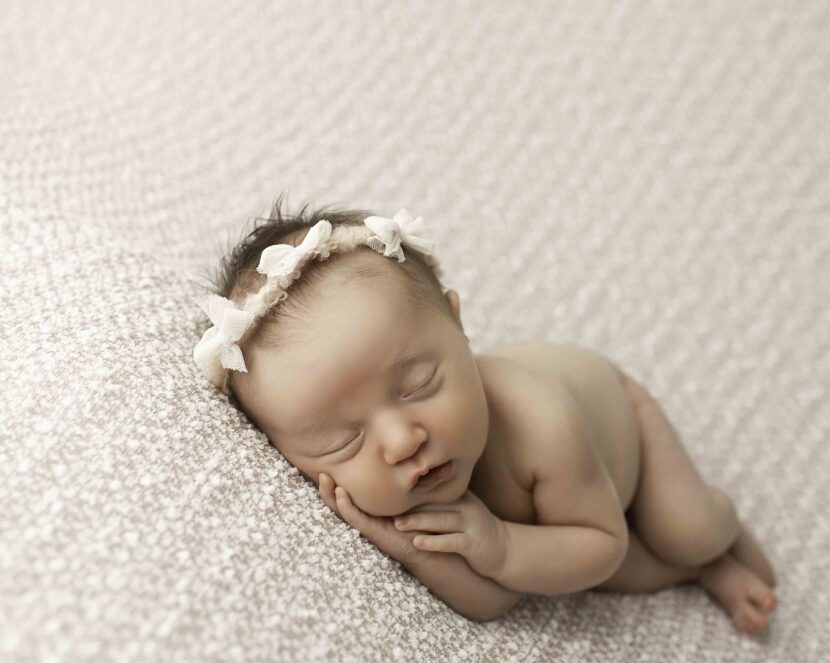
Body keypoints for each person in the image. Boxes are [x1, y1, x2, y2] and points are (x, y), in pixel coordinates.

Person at [193, 197, 778, 634]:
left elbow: (602, 546)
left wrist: (498, 544)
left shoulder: (541, 421)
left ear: (457, 324)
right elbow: (492, 600)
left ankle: (720, 534)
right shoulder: (394, 483)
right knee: (581, 574)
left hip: (619, 433)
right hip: (572, 521)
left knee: (683, 530)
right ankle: (702, 573)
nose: (401, 441)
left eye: (420, 382)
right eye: (342, 440)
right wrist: (415, 548)